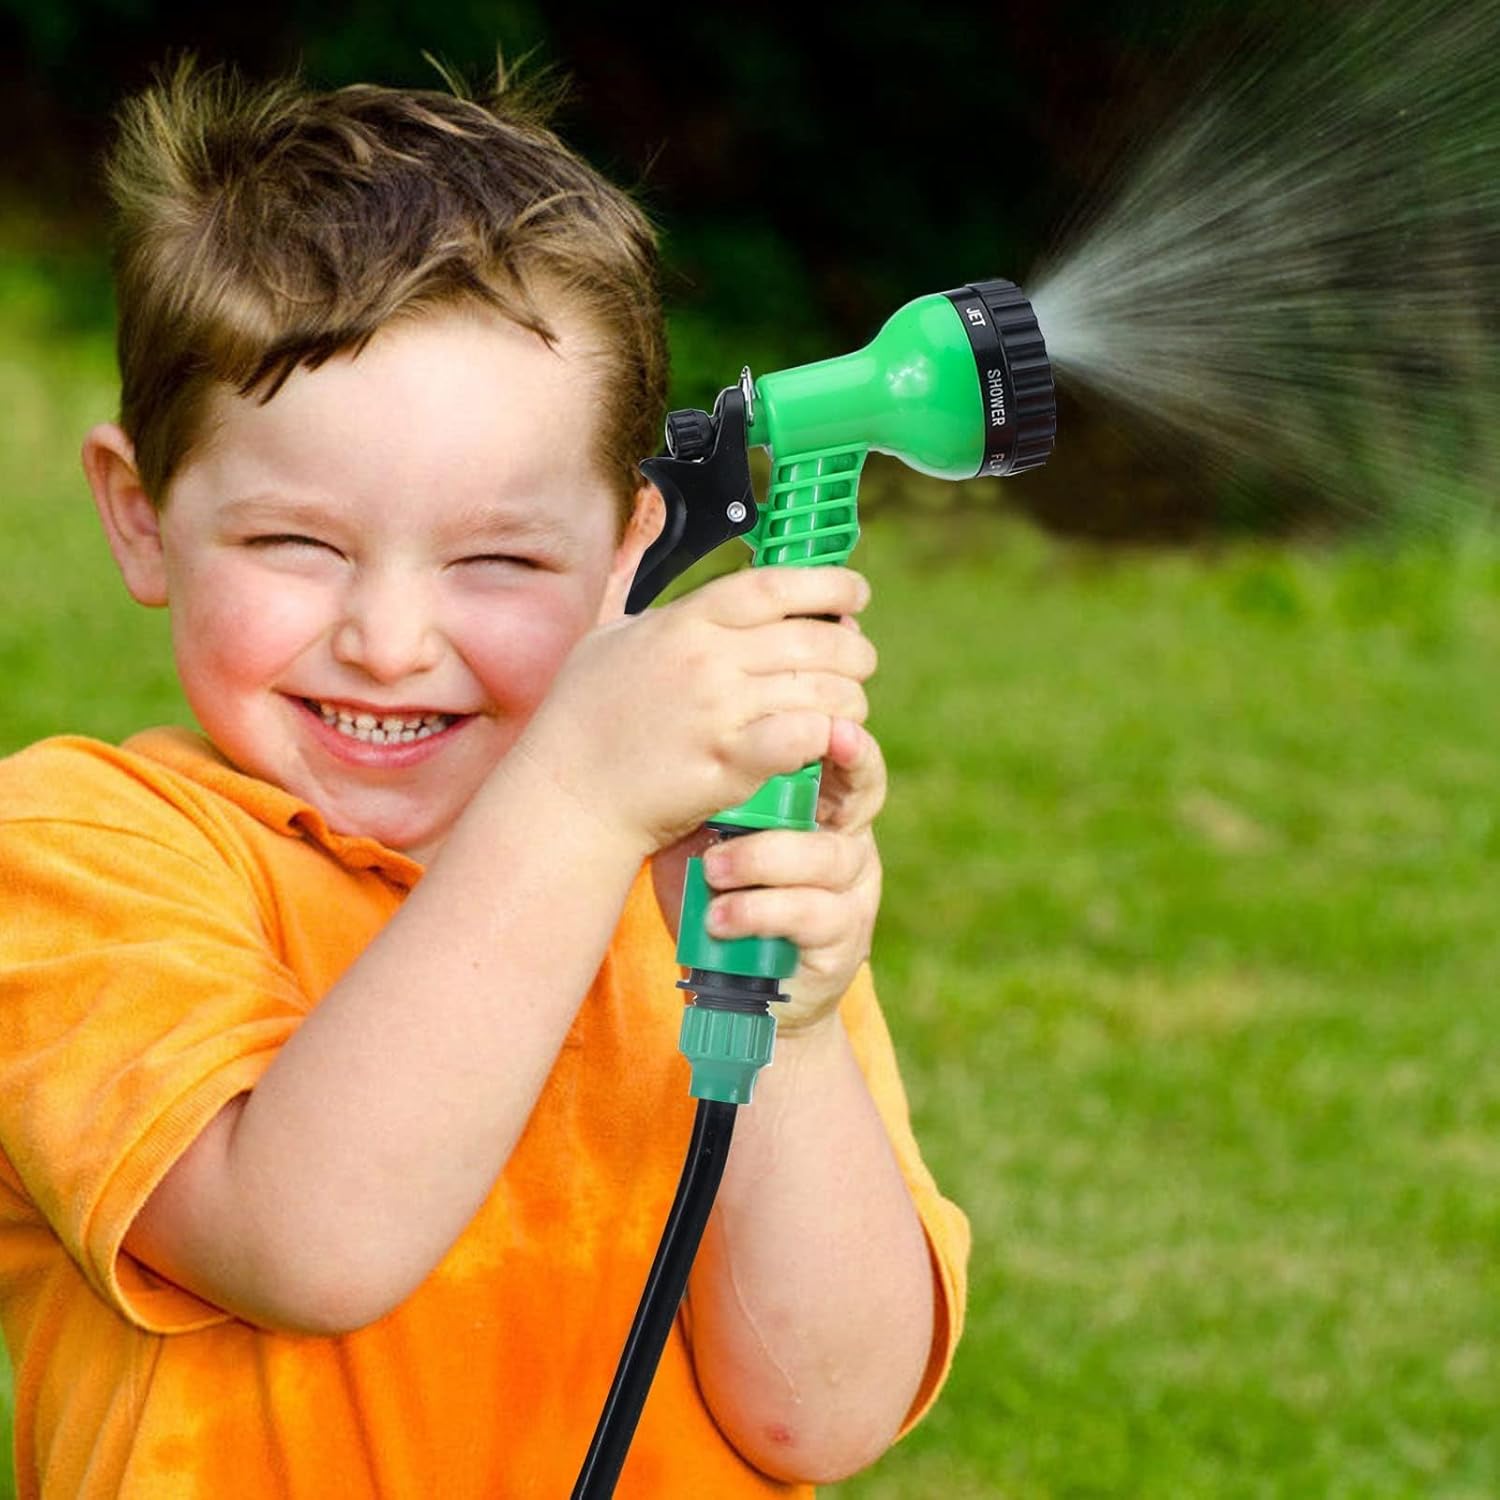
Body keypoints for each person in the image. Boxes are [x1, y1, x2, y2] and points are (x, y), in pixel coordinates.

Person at [0, 56, 969, 1499]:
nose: (390, 642)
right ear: (141, 515)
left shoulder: (693, 888)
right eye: (296, 544)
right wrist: (572, 799)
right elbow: (308, 1245)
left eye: (500, 558)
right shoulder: (71, 855)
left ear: (627, 554)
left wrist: (804, 1031)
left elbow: (820, 1415)